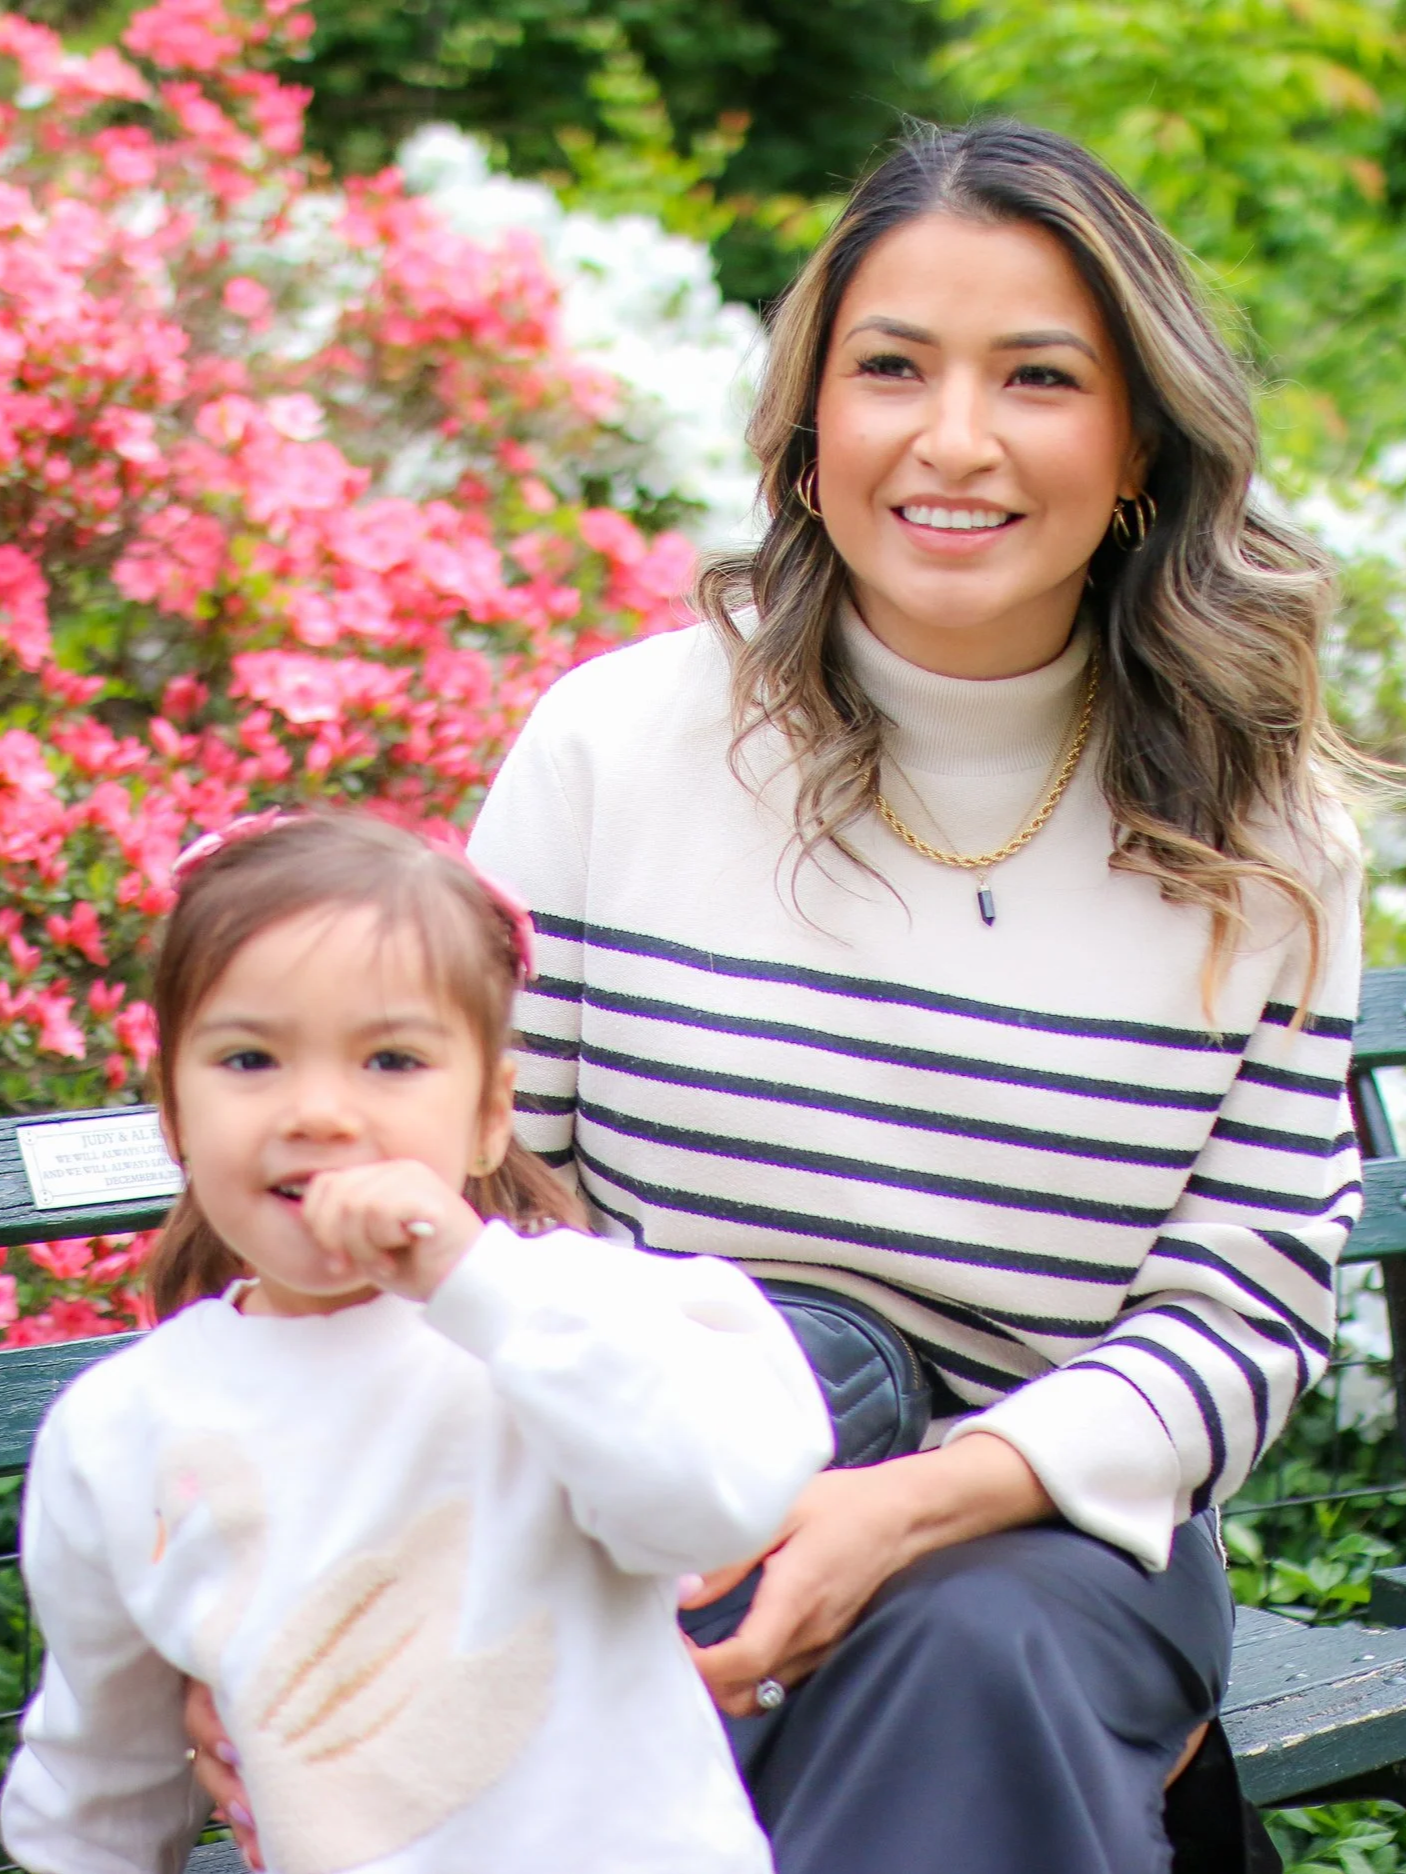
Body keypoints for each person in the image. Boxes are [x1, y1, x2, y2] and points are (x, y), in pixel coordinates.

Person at [190, 118, 1365, 1872]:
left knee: (965, 1652)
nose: (952, 438)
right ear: (811, 427)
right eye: (891, 366)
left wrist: (896, 1507)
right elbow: (475, 1186)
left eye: (1038, 376)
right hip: (636, 1504)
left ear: (1137, 444)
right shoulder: (619, 745)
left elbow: (1238, 1312)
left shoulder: (1260, 837)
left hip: (1032, 1530)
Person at [0, 811, 832, 1874]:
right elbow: (101, 1775)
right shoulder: (123, 1429)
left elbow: (715, 1498)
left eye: (391, 1058)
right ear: (173, 1110)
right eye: (249, 1057)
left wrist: (473, 1281)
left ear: (490, 1112)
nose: (319, 1110)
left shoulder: (565, 1314)